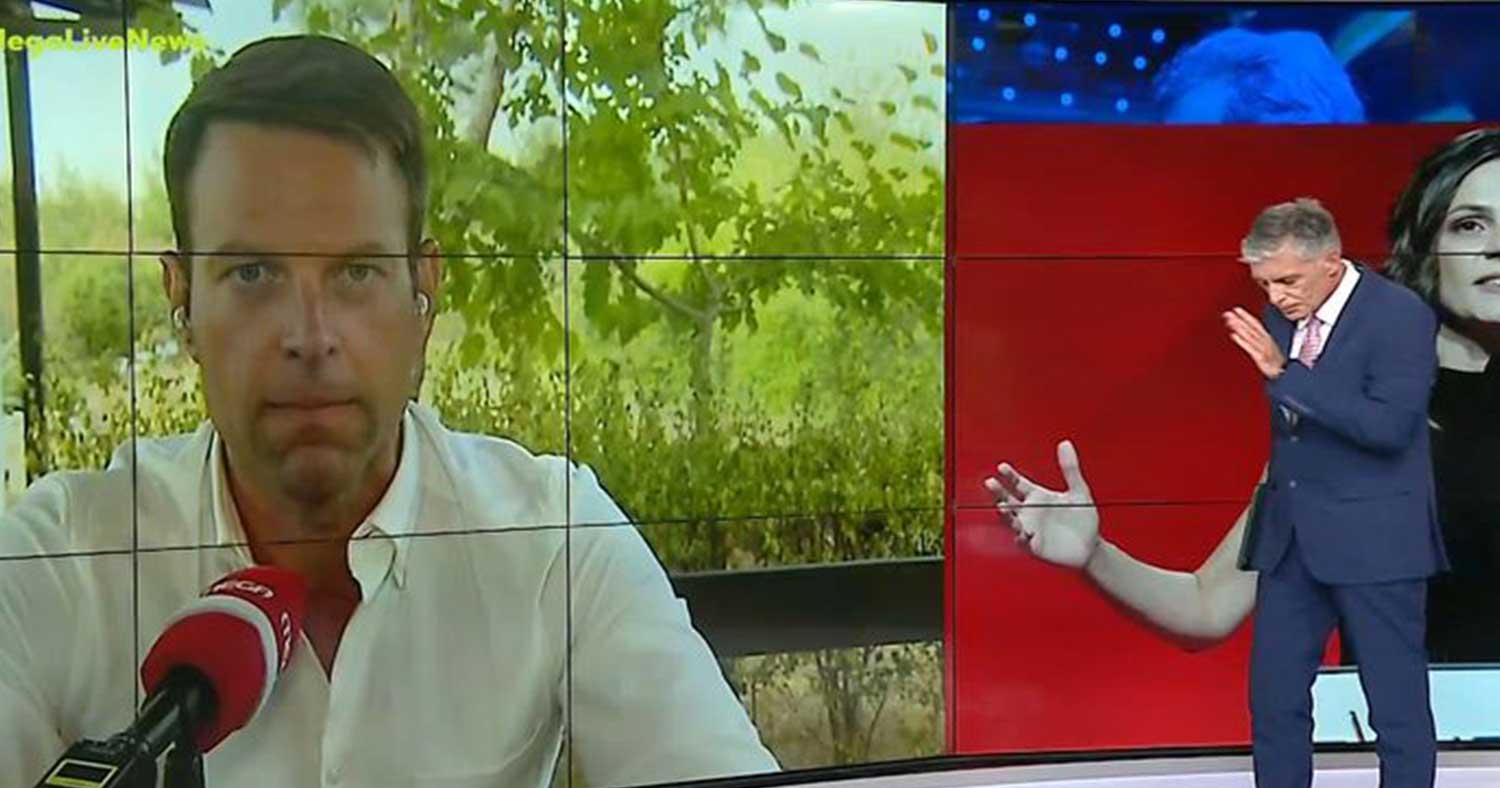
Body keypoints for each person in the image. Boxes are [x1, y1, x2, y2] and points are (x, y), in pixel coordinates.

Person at [0, 35, 778, 788]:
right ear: (183, 300)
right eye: (253, 273)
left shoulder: (555, 541)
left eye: (357, 273)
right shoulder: (58, 562)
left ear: (422, 292)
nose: (310, 338)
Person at [988, 199, 1444, 788]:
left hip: (1377, 546)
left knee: (1396, 710)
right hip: (1290, 545)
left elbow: (1389, 428)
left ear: (1331, 262)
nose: (1276, 297)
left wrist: (1286, 376)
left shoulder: (1400, 315)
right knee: (1275, 703)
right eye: (1264, 283)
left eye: (1287, 281)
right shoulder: (1280, 319)